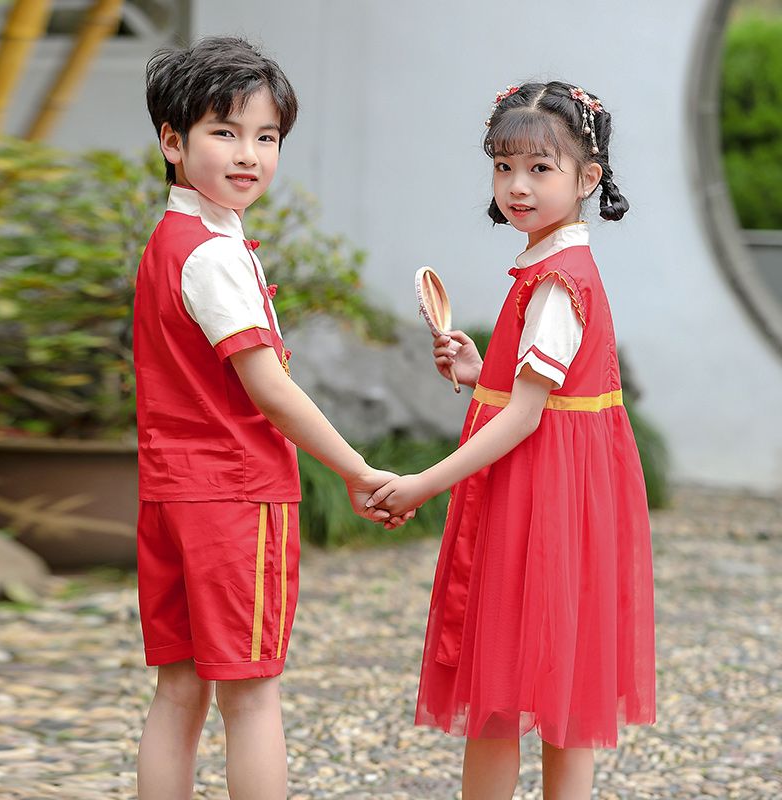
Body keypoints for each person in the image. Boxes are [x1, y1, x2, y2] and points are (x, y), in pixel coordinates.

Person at [133, 37, 408, 800]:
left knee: (179, 690)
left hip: (172, 493)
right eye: (225, 132)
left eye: (267, 136)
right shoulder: (213, 256)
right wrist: (355, 469)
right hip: (234, 498)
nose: (249, 154)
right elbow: (272, 391)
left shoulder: (171, 241)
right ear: (172, 141)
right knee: (251, 696)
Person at [368, 81, 656, 799]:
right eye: (503, 166)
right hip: (563, 492)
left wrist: (421, 484)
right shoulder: (553, 268)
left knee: (499, 682)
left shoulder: (556, 282)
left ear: (588, 178)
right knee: (566, 683)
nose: (516, 186)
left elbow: (527, 417)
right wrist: (478, 369)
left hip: (541, 502)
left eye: (540, 168)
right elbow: (543, 396)